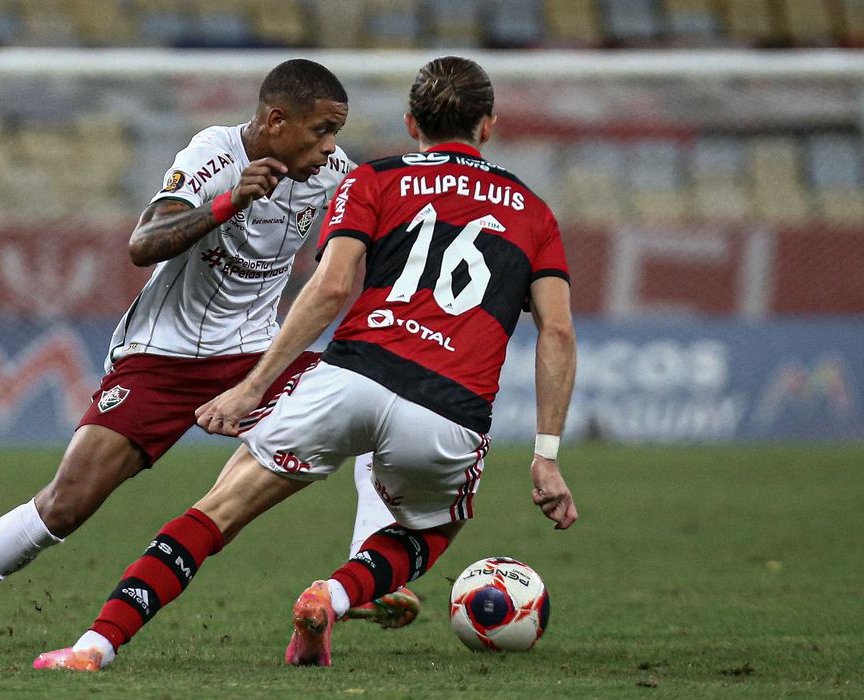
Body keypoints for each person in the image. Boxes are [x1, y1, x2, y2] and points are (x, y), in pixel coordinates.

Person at [31, 55, 578, 672]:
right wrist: (547, 456)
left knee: (215, 514)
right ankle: (336, 593)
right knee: (430, 532)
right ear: (487, 127)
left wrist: (253, 386)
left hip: (351, 376)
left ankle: (93, 646)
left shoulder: (374, 178)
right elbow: (556, 332)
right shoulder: (533, 211)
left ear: (409, 122)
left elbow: (329, 288)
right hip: (448, 405)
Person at [0, 59, 419, 655]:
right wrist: (226, 203)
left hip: (257, 358)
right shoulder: (213, 153)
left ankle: (365, 575)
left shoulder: (334, 174)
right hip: (163, 357)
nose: (329, 147)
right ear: (275, 121)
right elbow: (142, 243)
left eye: (335, 133)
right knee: (66, 503)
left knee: (373, 406)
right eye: (321, 130)